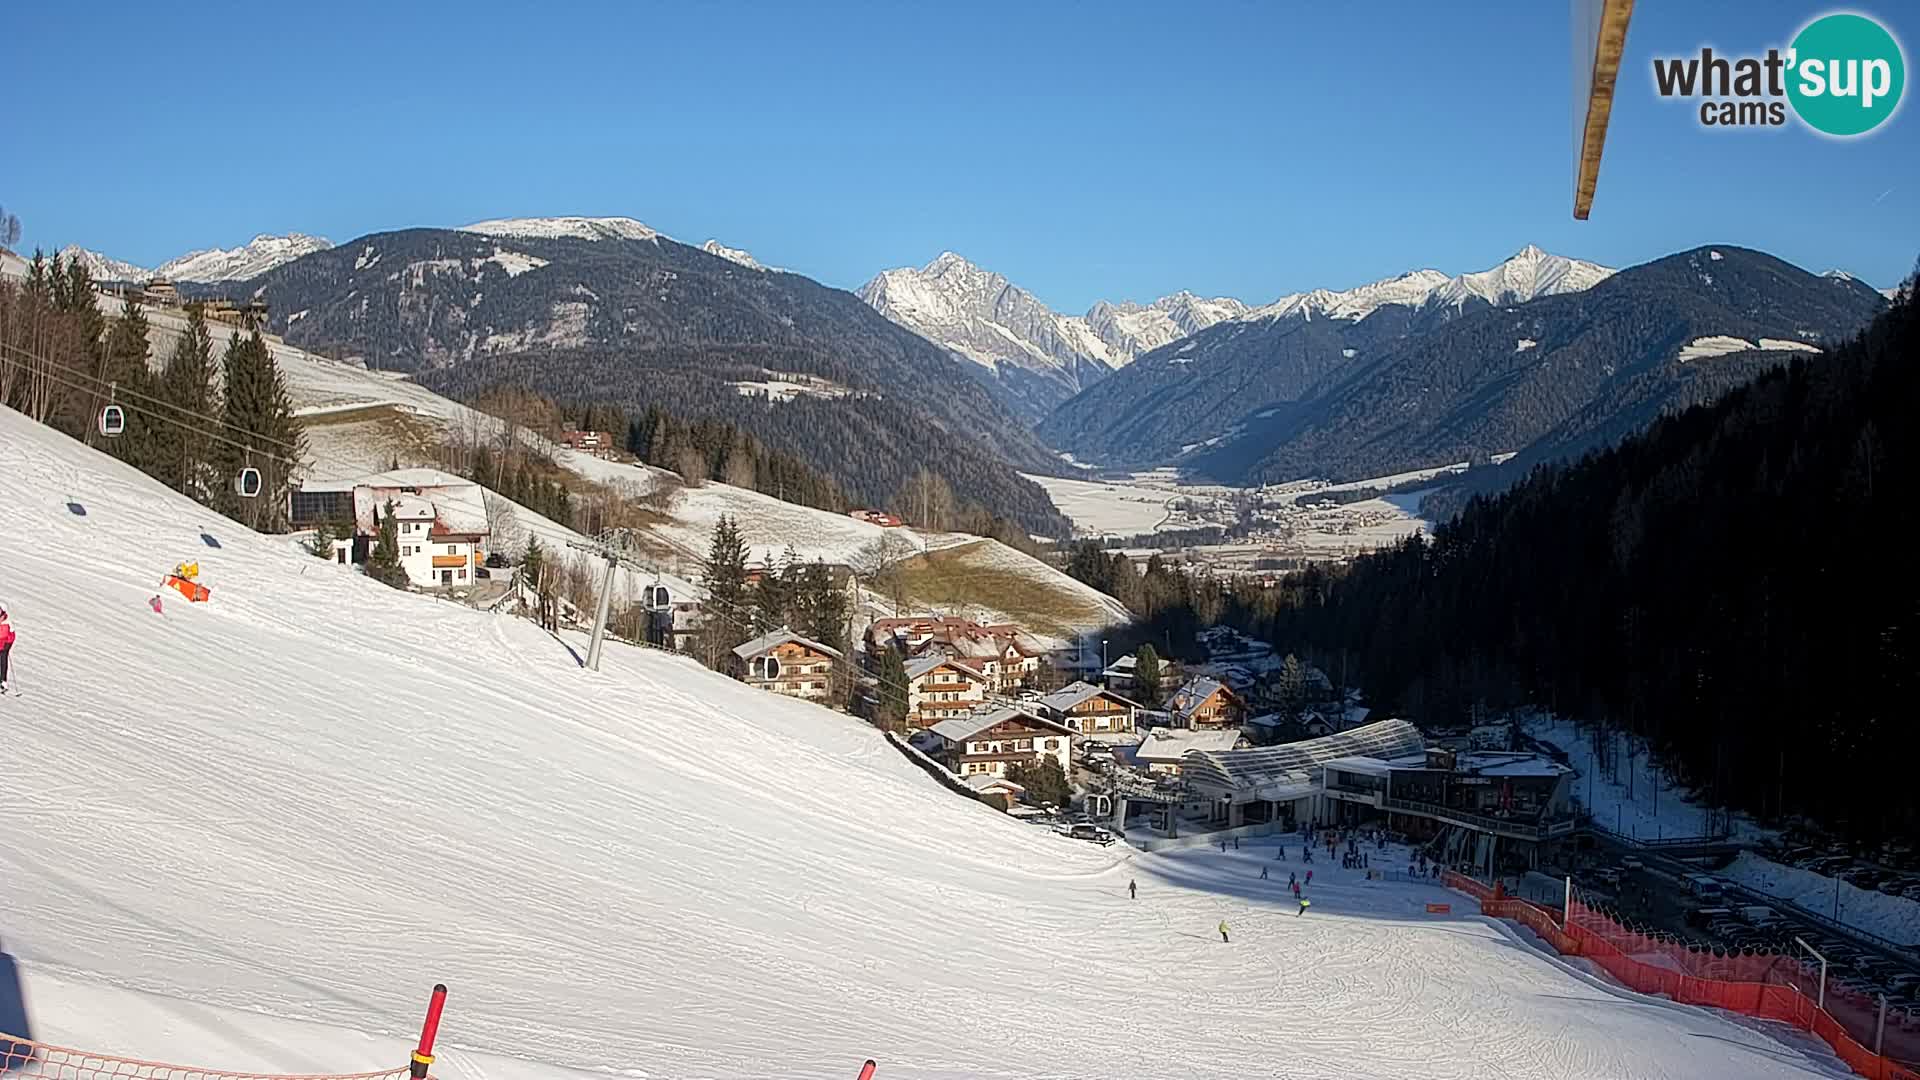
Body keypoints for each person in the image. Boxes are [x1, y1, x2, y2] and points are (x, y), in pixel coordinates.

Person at [0, 606, 13, 693]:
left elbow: (2, 636)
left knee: (3, 659)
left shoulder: (5, 624)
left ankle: (3, 681)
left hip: (6, 643)